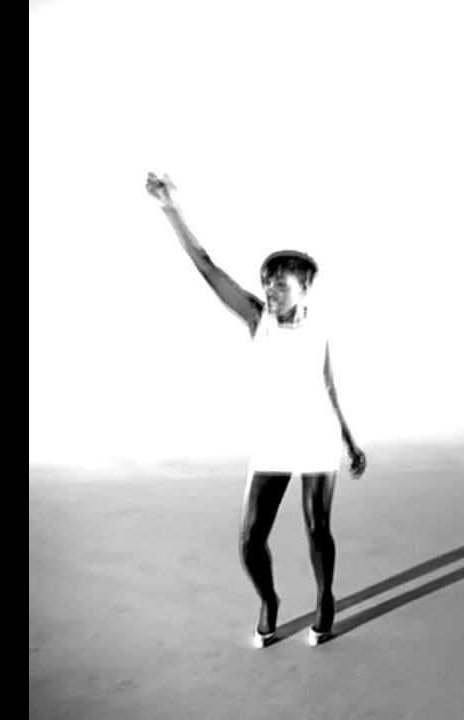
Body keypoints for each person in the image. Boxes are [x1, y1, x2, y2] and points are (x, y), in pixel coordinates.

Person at [145, 172, 368, 649]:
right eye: (267, 283)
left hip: (317, 435)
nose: (270, 290)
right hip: (275, 441)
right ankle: (269, 599)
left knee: (317, 527)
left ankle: (325, 598)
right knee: (250, 539)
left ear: (304, 287)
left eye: (280, 284)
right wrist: (171, 210)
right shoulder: (256, 318)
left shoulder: (319, 329)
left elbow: (328, 385)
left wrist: (349, 441)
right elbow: (206, 266)